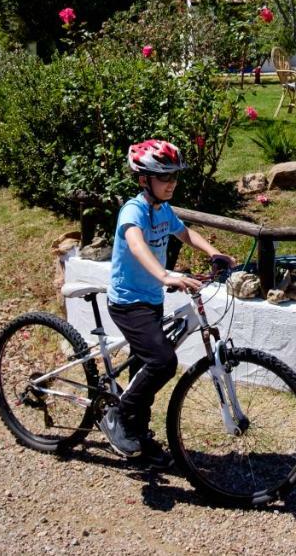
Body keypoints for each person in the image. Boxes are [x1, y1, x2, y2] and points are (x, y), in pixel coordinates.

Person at [98, 139, 234, 468]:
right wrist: (165, 275)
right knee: (162, 362)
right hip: (129, 302)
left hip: (151, 300)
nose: (171, 183)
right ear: (144, 180)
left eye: (174, 177)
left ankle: (137, 434)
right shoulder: (134, 210)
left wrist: (212, 253)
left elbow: (185, 233)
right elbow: (135, 243)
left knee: (141, 368)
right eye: (164, 177)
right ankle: (116, 415)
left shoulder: (163, 209)